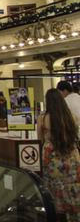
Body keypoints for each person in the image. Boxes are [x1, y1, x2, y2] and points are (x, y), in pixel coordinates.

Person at [37, 89, 80, 221]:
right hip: (71, 158)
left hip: (52, 160)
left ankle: (57, 216)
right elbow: (75, 136)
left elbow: (40, 140)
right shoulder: (72, 117)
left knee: (54, 188)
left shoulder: (43, 118)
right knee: (72, 187)